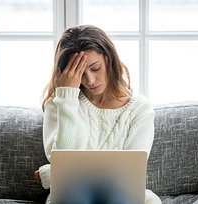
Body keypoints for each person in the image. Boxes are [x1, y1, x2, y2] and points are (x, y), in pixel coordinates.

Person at [35, 25, 162, 204]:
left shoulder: (139, 109)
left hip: (122, 197)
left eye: (95, 68)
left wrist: (52, 173)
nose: (90, 80)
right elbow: (65, 164)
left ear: (109, 59)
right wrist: (67, 98)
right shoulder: (60, 104)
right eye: (80, 74)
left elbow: (129, 175)